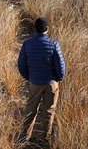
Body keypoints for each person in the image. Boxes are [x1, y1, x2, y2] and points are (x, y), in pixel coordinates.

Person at [17, 17, 65, 148]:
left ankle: (24, 137)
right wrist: (58, 79)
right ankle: (44, 139)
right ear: (47, 29)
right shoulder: (53, 44)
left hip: (34, 82)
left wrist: (29, 77)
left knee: (31, 109)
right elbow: (61, 66)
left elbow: (21, 64)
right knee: (48, 111)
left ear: (35, 29)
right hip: (51, 83)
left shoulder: (27, 44)